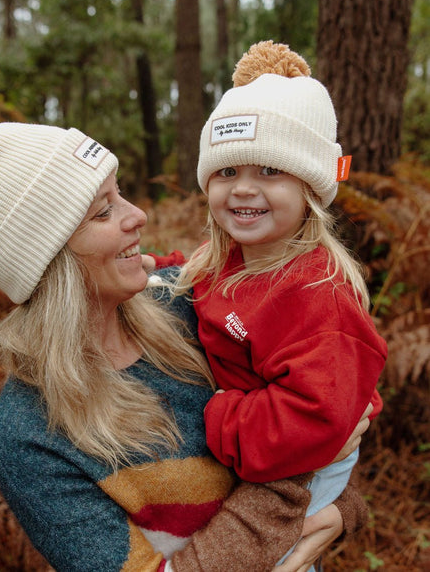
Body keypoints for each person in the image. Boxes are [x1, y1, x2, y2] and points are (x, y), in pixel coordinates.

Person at [0, 117, 371, 572]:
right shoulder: (29, 433)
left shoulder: (190, 304)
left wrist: (339, 511)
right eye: (103, 210)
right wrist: (295, 483)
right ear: (48, 260)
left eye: (119, 194)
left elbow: (331, 411)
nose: (138, 215)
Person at [147, 41, 387, 571]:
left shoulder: (315, 294)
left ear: (311, 186)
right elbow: (199, 277)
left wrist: (217, 416)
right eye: (227, 173)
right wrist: (153, 269)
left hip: (295, 465)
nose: (243, 190)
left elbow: (316, 414)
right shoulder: (233, 257)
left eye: (269, 172)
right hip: (263, 453)